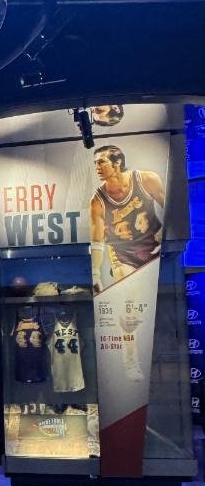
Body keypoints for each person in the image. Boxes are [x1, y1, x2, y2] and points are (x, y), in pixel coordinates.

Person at [90, 143, 166, 383]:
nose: (97, 167)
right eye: (95, 163)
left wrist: (166, 233)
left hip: (152, 248)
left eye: (101, 162)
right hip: (122, 254)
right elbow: (97, 240)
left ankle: (155, 354)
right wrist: (95, 274)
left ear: (117, 163)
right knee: (128, 304)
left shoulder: (146, 180)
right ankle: (130, 362)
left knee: (152, 306)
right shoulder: (98, 200)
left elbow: (172, 210)